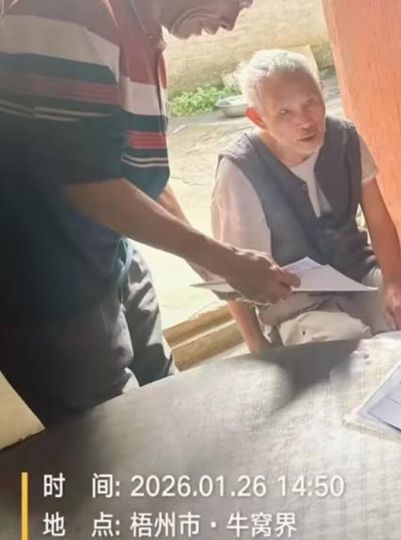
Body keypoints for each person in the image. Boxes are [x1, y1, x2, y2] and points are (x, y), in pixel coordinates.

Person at [0, 0, 298, 426]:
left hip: (107, 251)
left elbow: (135, 170)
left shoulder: (143, 30)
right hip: (49, 285)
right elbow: (88, 185)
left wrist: (212, 265)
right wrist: (223, 259)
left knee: (165, 398)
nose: (230, 21)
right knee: (115, 434)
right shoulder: (71, 11)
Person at [212, 49, 401, 352]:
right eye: (284, 112)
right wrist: (256, 344)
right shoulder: (240, 169)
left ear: (323, 92)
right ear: (258, 117)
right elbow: (231, 267)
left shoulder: (345, 138)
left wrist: (393, 287)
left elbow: (379, 221)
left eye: (310, 102)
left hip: (358, 275)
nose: (305, 121)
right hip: (294, 301)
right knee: (351, 348)